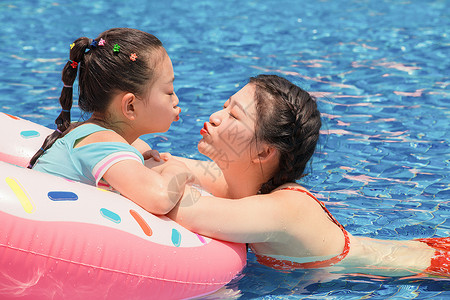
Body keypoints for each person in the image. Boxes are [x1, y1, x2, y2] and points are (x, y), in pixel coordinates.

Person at [162, 74, 449, 277]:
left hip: (434, 268)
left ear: (263, 153)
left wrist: (168, 171)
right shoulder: (242, 183)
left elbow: (175, 203)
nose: (215, 116)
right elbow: (168, 164)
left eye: (234, 116)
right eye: (225, 106)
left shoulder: (283, 209)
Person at [30, 28, 192, 215]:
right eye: (169, 91)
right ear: (130, 106)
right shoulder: (104, 142)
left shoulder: (87, 132)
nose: (176, 100)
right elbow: (160, 198)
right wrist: (177, 170)